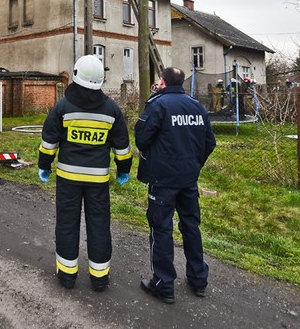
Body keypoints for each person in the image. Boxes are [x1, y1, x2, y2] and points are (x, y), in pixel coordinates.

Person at [38, 55, 132, 292]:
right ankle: (100, 278)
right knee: (99, 225)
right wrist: (123, 170)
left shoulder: (63, 107)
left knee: (67, 224)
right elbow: (122, 147)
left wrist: (44, 165)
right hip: (97, 181)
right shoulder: (112, 109)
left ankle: (67, 276)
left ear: (77, 74)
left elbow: (49, 141)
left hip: (68, 179)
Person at [135, 66, 216, 304]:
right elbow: (209, 142)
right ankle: (198, 280)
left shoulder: (158, 105)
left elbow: (141, 138)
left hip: (163, 180)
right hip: (188, 179)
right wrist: (193, 165)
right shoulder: (197, 106)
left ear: (162, 82)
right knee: (191, 226)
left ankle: (163, 284)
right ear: (181, 83)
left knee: (161, 229)